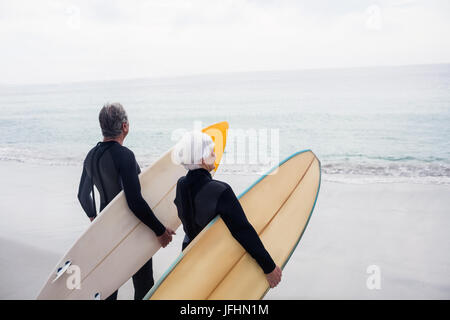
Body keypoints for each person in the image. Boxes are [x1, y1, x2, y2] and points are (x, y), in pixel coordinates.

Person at [77, 103, 175, 300]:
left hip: (106, 228)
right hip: (131, 229)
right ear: (124, 126)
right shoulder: (125, 156)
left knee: (110, 285)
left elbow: (82, 195)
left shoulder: (91, 156)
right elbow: (134, 201)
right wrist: (160, 230)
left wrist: (95, 218)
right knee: (144, 283)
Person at [172, 131, 282, 288]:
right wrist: (269, 267)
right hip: (217, 263)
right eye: (212, 152)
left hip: (190, 256)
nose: (216, 155)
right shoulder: (220, 190)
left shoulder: (181, 184)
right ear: (202, 159)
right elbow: (243, 230)